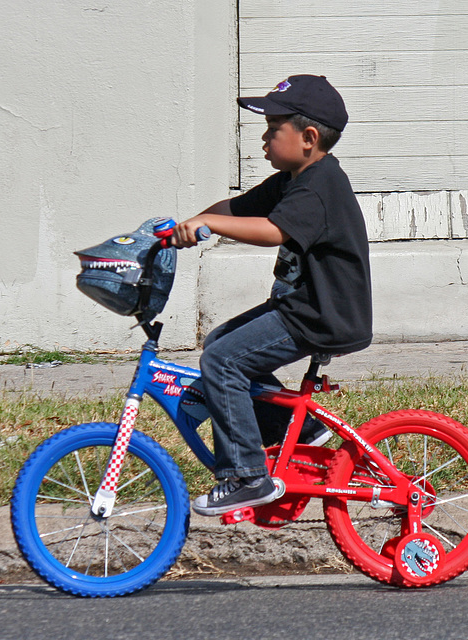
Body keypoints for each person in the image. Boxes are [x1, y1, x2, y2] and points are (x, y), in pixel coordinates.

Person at [172, 74, 373, 516]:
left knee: (222, 362)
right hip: (302, 308)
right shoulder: (292, 178)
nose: (262, 139)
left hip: (320, 316)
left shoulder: (320, 185)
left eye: (272, 129)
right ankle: (297, 432)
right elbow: (237, 208)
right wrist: (185, 224)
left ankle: (246, 476)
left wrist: (213, 227)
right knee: (221, 341)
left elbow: (272, 231)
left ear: (308, 137)